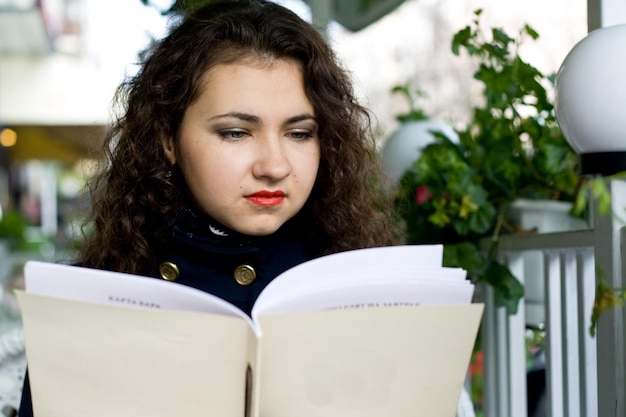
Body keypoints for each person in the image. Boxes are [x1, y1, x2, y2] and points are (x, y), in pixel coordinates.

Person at [18, 0, 400, 415]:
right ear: (168, 140)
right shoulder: (84, 309)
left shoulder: (371, 292)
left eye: (299, 133)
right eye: (236, 133)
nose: (274, 166)